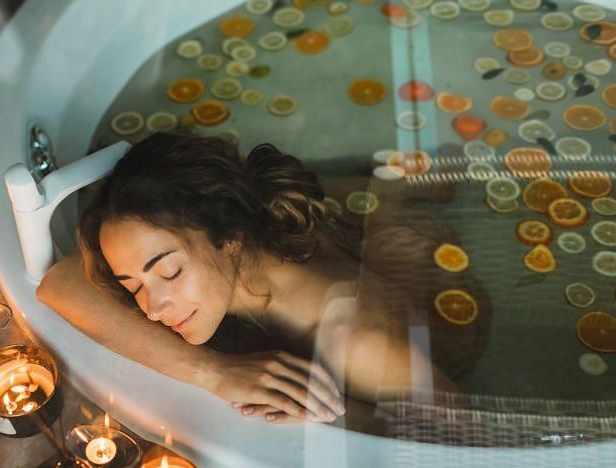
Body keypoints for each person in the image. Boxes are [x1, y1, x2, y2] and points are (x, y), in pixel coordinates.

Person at [36, 132, 480, 424]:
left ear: (228, 235)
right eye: (131, 284)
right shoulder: (251, 229)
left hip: (437, 322)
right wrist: (212, 371)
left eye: (169, 272)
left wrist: (342, 414)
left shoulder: (354, 342)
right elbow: (59, 283)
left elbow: (462, 432)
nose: (150, 309)